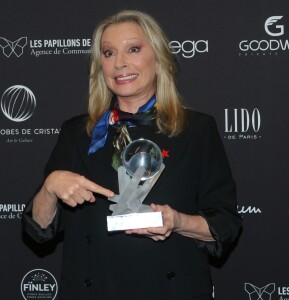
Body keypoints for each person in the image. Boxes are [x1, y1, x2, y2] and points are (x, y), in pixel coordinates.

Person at [22, 9, 242, 300]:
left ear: (158, 57)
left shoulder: (198, 129)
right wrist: (50, 187)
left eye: (133, 49)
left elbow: (225, 224)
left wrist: (178, 222)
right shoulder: (77, 132)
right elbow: (40, 230)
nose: (120, 63)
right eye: (109, 53)